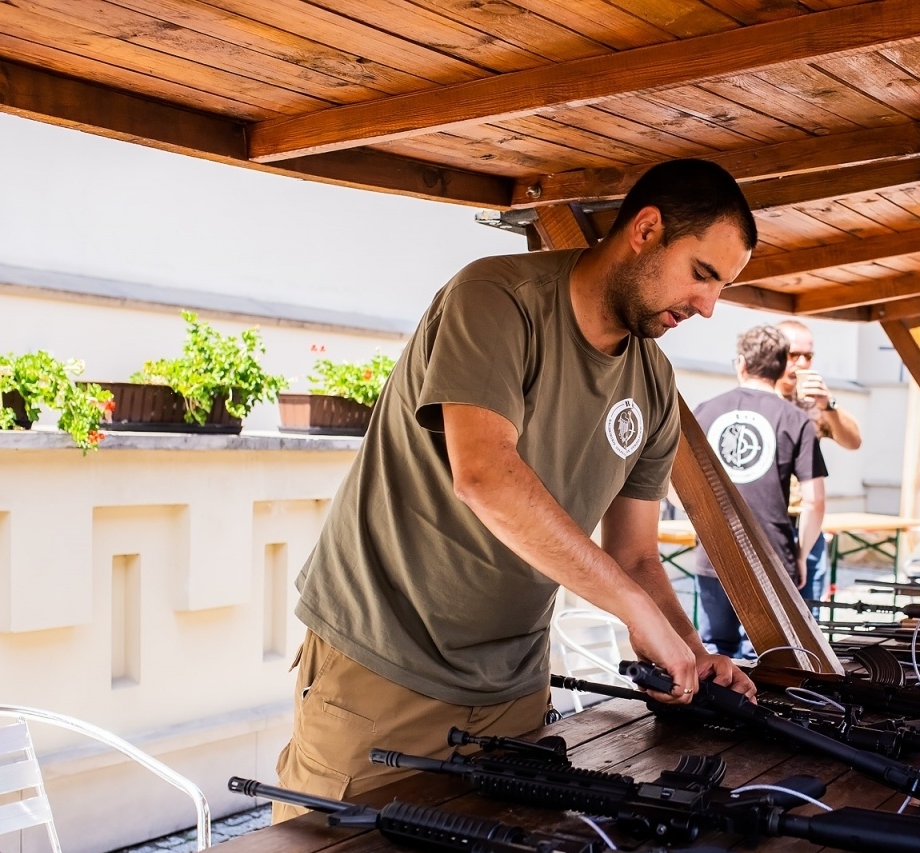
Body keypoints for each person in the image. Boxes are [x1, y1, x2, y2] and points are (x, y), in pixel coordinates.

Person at [275, 160, 758, 818]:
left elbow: (638, 558)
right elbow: (484, 475)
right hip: (384, 668)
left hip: (514, 688)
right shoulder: (495, 297)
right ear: (646, 230)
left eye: (722, 287)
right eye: (703, 274)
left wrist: (692, 659)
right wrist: (634, 612)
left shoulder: (654, 387)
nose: (707, 307)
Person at [692, 324, 827, 657]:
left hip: (713, 550)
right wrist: (801, 553)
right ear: (782, 367)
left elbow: (671, 484)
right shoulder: (796, 419)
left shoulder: (704, 411)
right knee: (769, 655)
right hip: (772, 557)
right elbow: (815, 500)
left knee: (715, 651)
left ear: (741, 363)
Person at [776, 319, 862, 606]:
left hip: (806, 522)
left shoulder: (814, 402)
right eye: (793, 354)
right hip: (767, 519)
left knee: (807, 612)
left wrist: (828, 404)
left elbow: (853, 441)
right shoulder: (760, 396)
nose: (801, 363)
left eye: (808, 356)